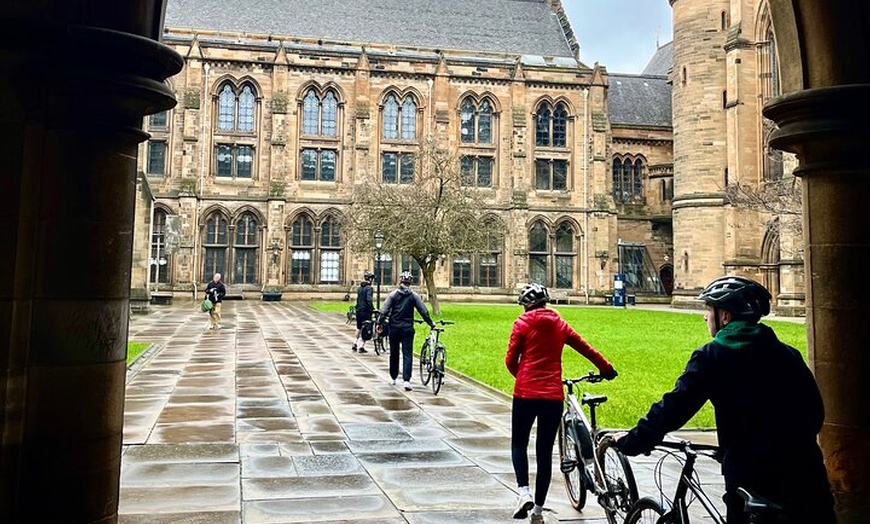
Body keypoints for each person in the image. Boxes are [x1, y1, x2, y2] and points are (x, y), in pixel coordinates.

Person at [614, 276, 836, 524]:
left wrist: (635, 439)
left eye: (709, 310)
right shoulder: (788, 354)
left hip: (752, 479)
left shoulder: (713, 356)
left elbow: (675, 407)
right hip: (806, 473)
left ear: (726, 316)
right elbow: (815, 412)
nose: (705, 317)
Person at [506, 283, 617, 523]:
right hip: (552, 397)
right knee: (544, 452)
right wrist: (606, 368)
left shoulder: (521, 323)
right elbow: (586, 348)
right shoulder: (559, 323)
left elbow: (510, 361)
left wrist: (523, 378)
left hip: (525, 394)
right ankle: (537, 511)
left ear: (526, 305)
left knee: (519, 443)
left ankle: (523, 491)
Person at [375, 270, 434, 391]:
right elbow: (423, 311)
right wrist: (430, 323)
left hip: (394, 328)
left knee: (394, 353)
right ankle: (407, 380)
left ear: (400, 281)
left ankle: (393, 377)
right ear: (410, 283)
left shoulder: (393, 295)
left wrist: (379, 323)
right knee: (407, 354)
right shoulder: (414, 296)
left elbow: (384, 311)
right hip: (407, 328)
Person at [352, 270, 376, 353]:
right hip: (366, 311)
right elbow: (369, 300)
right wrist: (372, 309)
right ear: (370, 279)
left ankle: (354, 343)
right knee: (366, 328)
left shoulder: (360, 288)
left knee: (358, 328)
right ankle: (361, 346)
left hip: (359, 310)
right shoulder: (369, 288)